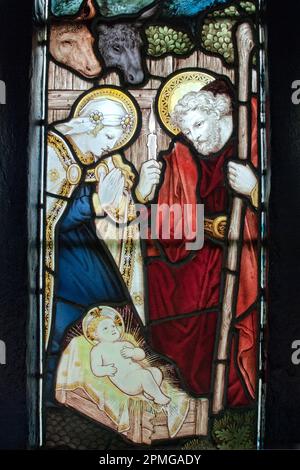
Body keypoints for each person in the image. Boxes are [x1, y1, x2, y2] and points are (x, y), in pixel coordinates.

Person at [141, 76, 259, 406]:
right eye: (188, 132)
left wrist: (254, 189)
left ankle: (234, 394)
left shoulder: (252, 142)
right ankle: (185, 387)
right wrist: (144, 195)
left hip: (243, 256)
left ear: (220, 113)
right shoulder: (180, 158)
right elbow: (160, 224)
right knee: (160, 281)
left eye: (198, 125)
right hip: (194, 253)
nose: (194, 137)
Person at [45, 87, 155, 402]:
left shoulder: (106, 163)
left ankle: (108, 397)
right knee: (62, 330)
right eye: (110, 137)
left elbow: (122, 213)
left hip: (87, 256)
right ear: (90, 122)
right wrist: (93, 201)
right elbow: (45, 218)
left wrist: (142, 193)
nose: (113, 146)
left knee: (114, 313)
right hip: (56, 263)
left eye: (119, 140)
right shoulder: (51, 151)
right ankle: (56, 401)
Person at [88, 307, 170, 405]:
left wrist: (133, 352)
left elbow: (141, 355)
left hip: (139, 375)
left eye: (113, 326)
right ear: (95, 334)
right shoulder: (98, 350)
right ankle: (159, 397)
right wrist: (106, 369)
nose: (112, 329)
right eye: (105, 328)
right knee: (144, 375)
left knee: (156, 372)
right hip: (127, 382)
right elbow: (96, 369)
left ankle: (150, 392)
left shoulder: (124, 344)